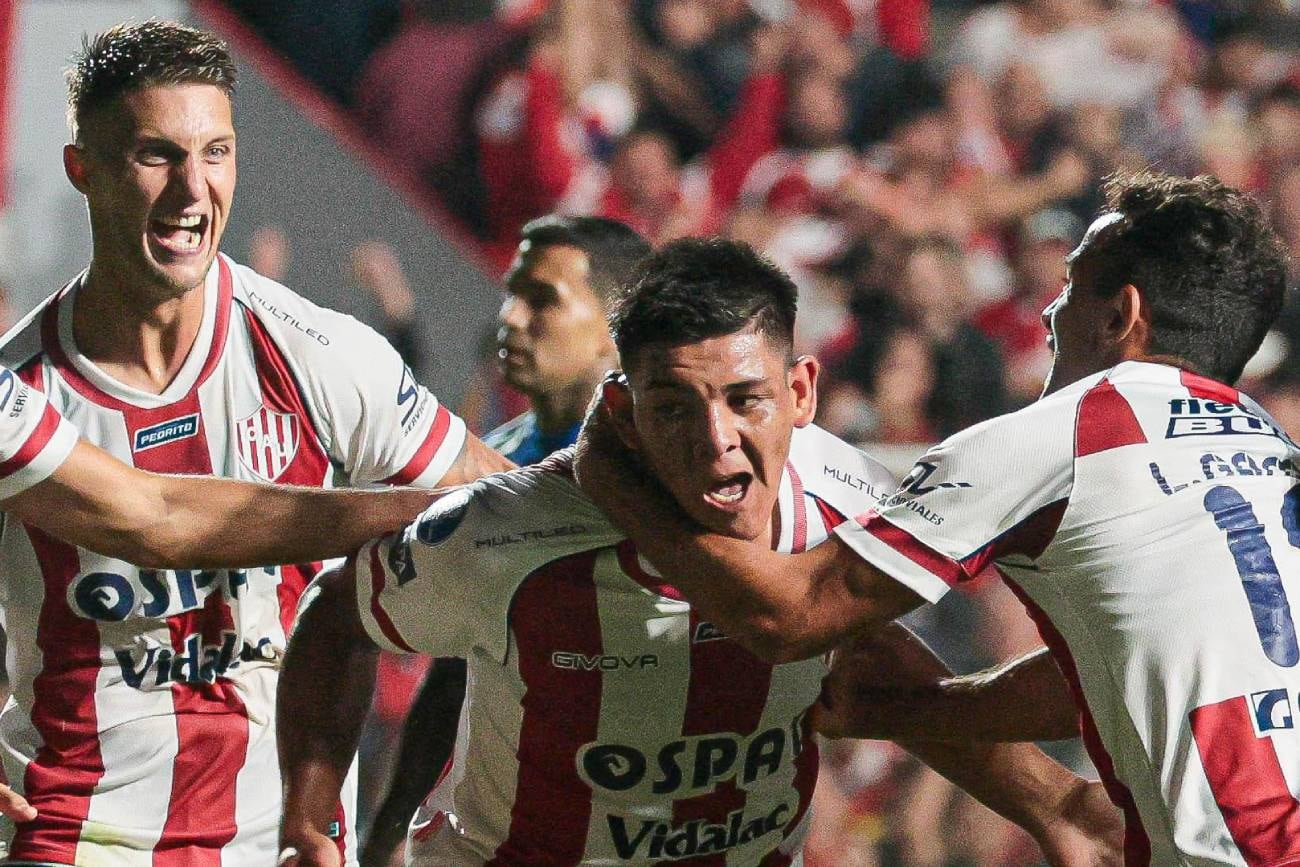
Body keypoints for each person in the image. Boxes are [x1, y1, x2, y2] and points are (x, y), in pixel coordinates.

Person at [279, 238, 1121, 867]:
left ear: (801, 392)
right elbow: (337, 613)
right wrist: (308, 824)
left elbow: (877, 662)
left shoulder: (856, 511)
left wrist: (1055, 804)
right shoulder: (508, 531)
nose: (717, 443)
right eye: (675, 407)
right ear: (623, 410)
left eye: (746, 400)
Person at [574, 173, 1294, 864]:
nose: (1048, 312)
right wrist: (915, 710)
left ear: (1120, 316)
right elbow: (1112, 675)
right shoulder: (1270, 448)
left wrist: (612, 473)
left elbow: (787, 616)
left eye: (1071, 285)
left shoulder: (1066, 433)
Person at [0, 21, 509, 866]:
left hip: (281, 845)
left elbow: (502, 505)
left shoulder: (317, 350)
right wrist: (415, 514)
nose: (192, 190)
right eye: (157, 155)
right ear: (83, 170)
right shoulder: (19, 387)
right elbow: (157, 515)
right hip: (76, 837)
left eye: (217, 152)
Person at [363, 214, 651, 867]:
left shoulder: (689, 467)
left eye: (541, 300)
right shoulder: (496, 468)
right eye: (512, 296)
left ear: (616, 328)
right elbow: (455, 673)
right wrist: (384, 838)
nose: (512, 318)